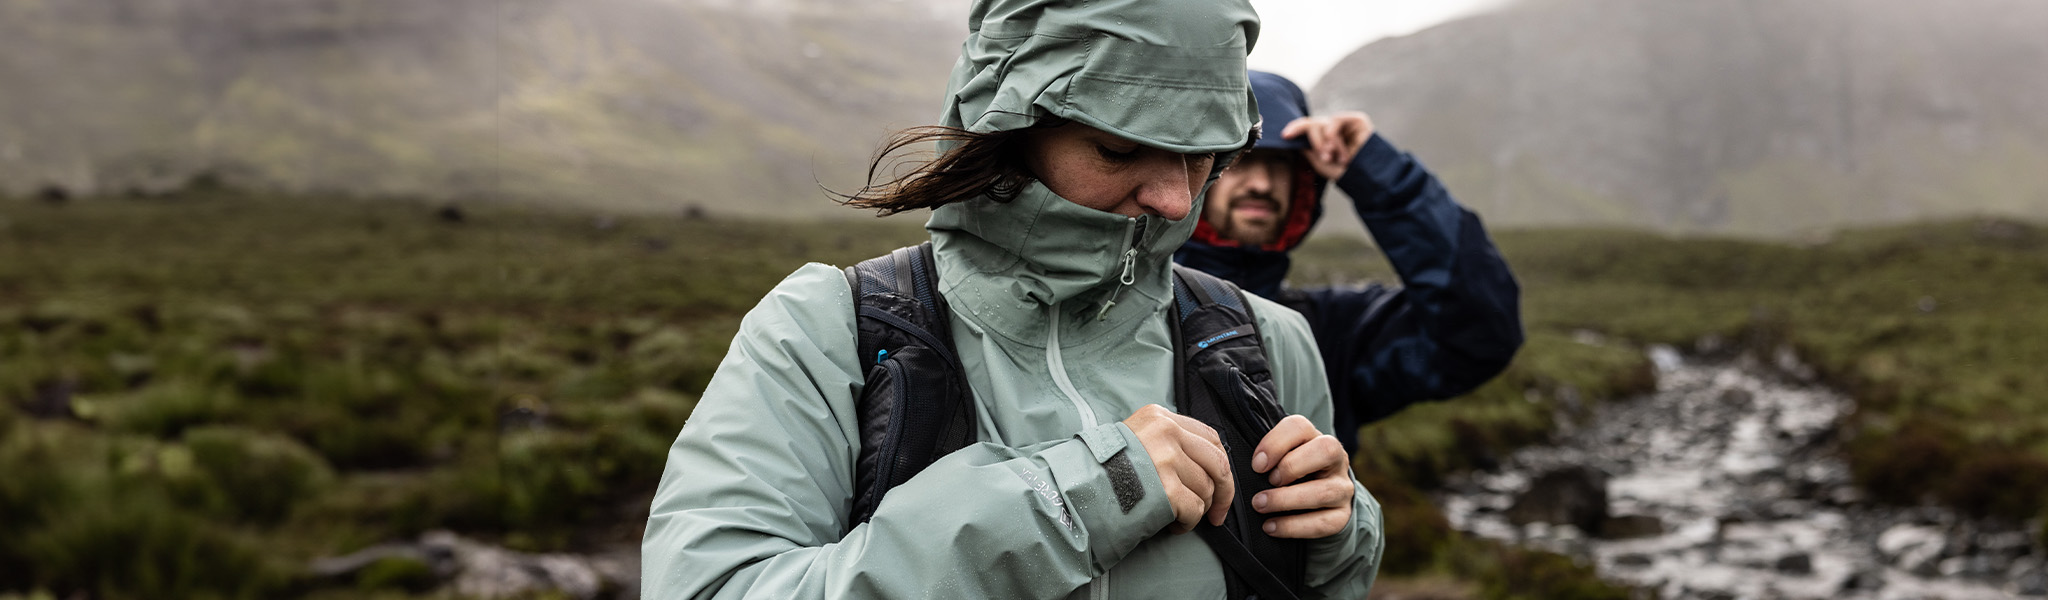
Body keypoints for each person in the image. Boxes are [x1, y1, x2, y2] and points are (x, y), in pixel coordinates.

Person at [640, 0, 1384, 598]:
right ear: (1008, 123)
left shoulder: (1265, 341)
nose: (1174, 197)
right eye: (1120, 149)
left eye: (1204, 152)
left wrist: (1341, 540)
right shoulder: (823, 331)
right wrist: (1073, 502)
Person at [1175, 71, 1525, 455]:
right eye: (1241, 158)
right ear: (1197, 167)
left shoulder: (1332, 335)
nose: (1261, 183)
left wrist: (1380, 174)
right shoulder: (1128, 311)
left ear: (1305, 186)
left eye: (1281, 164)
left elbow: (1480, 331)